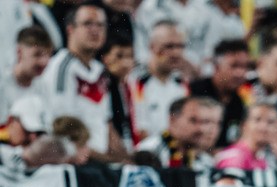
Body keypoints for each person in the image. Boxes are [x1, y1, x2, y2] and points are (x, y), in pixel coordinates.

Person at [39, 3, 126, 161]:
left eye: (100, 25)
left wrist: (124, 156)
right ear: (70, 30)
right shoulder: (62, 67)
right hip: (77, 160)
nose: (95, 29)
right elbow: (62, 129)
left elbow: (106, 123)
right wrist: (105, 158)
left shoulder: (99, 71)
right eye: (87, 23)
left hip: (101, 160)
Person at [128, 20, 189, 140]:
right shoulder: (135, 82)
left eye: (180, 46)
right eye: (169, 46)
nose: (176, 53)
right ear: (152, 47)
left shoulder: (181, 84)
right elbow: (139, 131)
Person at [189, 39, 249, 149]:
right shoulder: (193, 92)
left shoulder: (239, 102)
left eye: (244, 67)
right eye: (234, 66)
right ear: (216, 67)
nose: (240, 73)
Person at [0, 26, 54, 121]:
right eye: (37, 54)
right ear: (19, 52)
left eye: (48, 55)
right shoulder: (3, 84)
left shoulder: (43, 87)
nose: (44, 62)